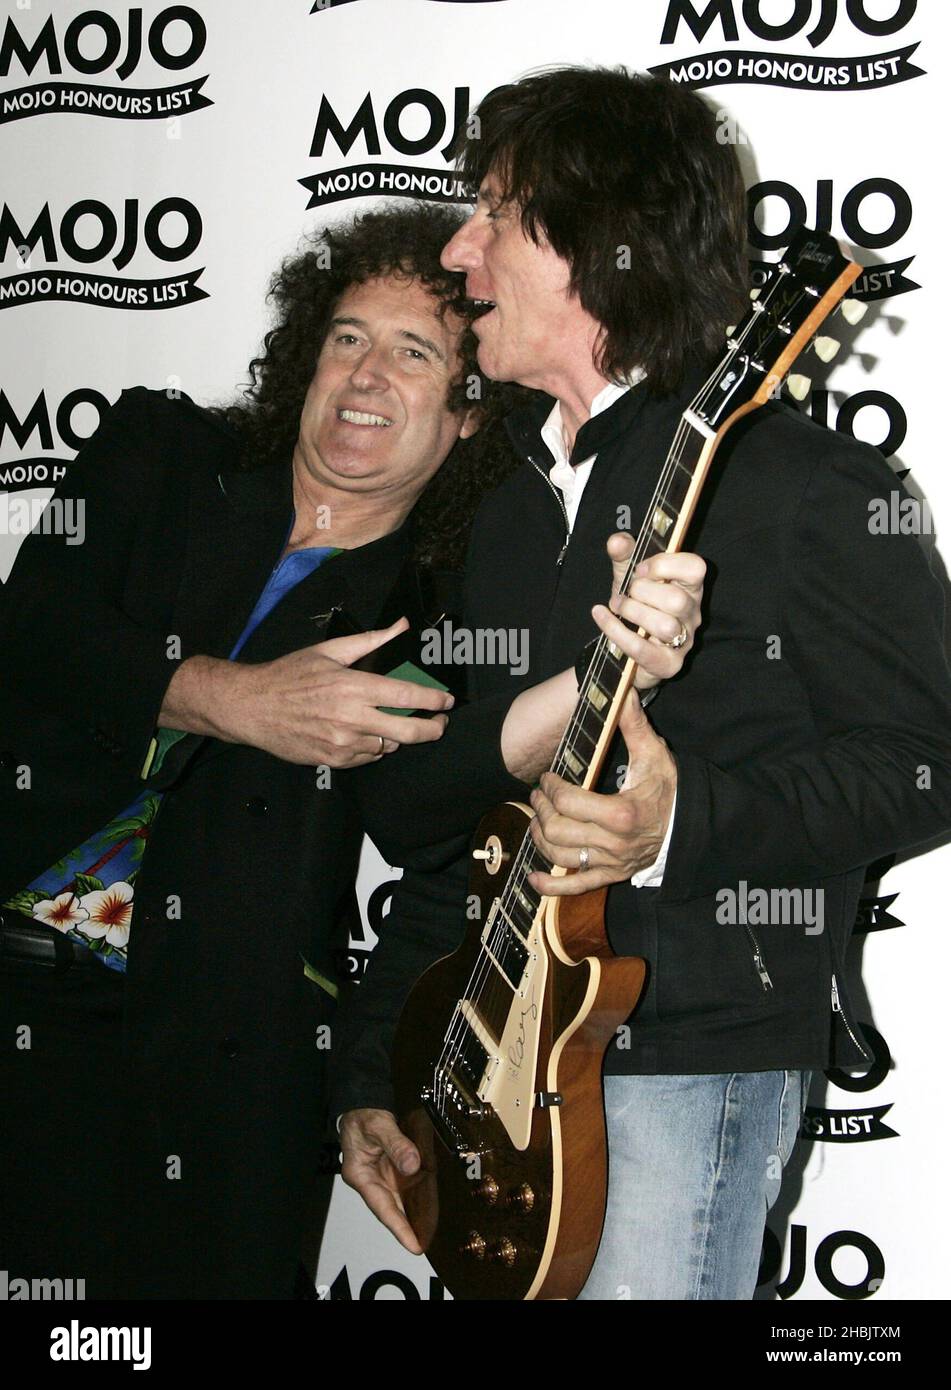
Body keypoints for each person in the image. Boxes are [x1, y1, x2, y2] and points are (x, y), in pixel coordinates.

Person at [0, 197, 703, 1300]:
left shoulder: (448, 616)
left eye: (414, 353)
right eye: (346, 339)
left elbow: (437, 840)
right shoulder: (163, 453)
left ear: (474, 413)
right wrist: (228, 698)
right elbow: (35, 630)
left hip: (224, 1066)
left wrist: (366, 1081)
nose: (366, 377)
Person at [333, 68, 951, 1301]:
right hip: (478, 1085)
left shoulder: (808, 485)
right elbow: (438, 828)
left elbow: (926, 765)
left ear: (605, 245)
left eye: (494, 212)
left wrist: (679, 825)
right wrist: (368, 1070)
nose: (461, 251)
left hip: (687, 1066)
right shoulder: (492, 510)